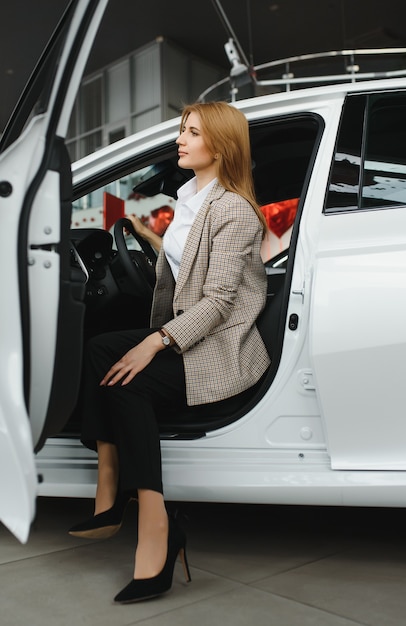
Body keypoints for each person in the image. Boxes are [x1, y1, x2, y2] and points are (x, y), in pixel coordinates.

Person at [68, 101, 271, 604]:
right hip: (187, 333)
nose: (180, 139)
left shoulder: (234, 210)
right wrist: (149, 240)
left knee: (128, 379)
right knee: (98, 351)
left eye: (193, 132)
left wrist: (153, 341)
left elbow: (221, 301)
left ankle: (157, 527)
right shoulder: (190, 196)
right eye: (182, 129)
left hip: (220, 347)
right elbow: (189, 261)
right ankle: (110, 487)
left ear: (220, 145)